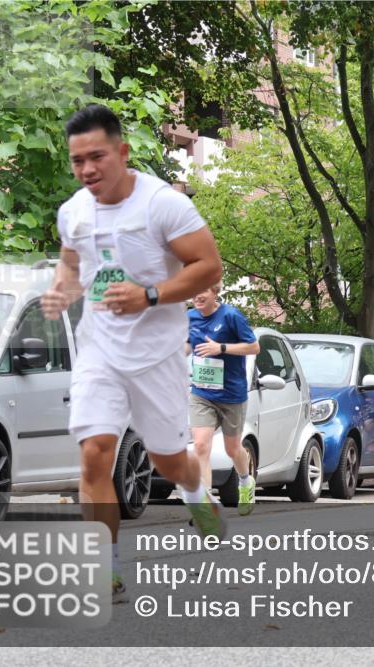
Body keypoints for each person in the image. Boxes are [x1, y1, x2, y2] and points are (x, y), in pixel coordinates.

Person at [40, 104, 225, 602]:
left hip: (157, 354)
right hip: (100, 351)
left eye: (97, 157)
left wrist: (149, 294)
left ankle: (195, 493)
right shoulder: (73, 210)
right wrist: (61, 291)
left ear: (122, 152)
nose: (87, 170)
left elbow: (209, 267)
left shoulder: (163, 205)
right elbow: (71, 264)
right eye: (78, 161)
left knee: (169, 462)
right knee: (94, 455)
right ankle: (107, 568)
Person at [187, 284, 260, 515]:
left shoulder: (231, 316)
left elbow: (254, 347)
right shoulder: (189, 317)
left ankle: (245, 481)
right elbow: (188, 344)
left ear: (214, 292)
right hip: (202, 393)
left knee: (232, 449)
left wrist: (222, 347)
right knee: (200, 446)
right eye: (193, 292)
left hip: (231, 395)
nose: (196, 296)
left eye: (202, 292)